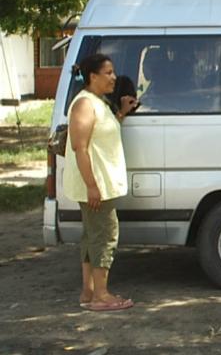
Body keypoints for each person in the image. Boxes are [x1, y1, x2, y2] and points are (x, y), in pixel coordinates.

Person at [64, 54, 137, 312]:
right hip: (96, 186)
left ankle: (89, 292)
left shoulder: (98, 102)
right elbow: (79, 147)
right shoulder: (84, 104)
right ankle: (101, 296)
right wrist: (92, 186)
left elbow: (101, 135)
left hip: (101, 184)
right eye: (108, 73)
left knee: (92, 237)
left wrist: (121, 114)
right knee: (106, 236)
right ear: (92, 76)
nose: (113, 78)